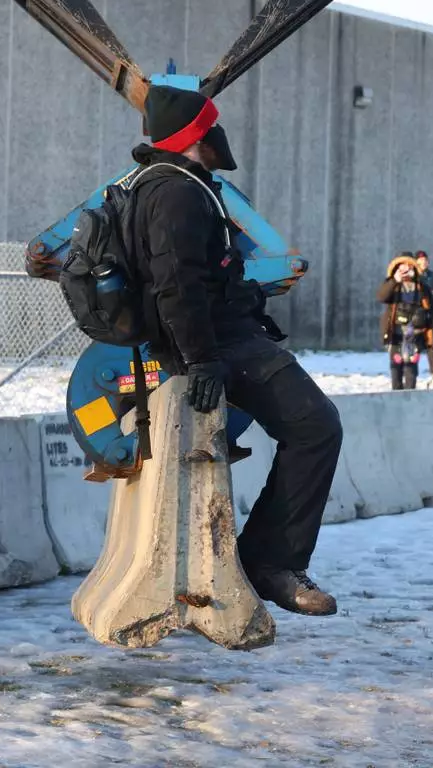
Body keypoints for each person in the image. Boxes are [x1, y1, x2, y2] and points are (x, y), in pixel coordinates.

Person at [128, 84, 341, 616]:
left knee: (312, 425)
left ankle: (264, 558)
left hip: (220, 336)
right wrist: (201, 359)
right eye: (213, 126)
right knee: (315, 425)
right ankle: (271, 562)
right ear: (199, 135)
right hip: (223, 342)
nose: (222, 135)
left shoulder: (164, 184)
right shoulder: (178, 192)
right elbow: (178, 283)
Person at [377, 254, 433, 390]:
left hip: (414, 331)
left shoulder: (421, 286)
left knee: (411, 365)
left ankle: (410, 391)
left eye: (409, 267)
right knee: (396, 363)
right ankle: (396, 391)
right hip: (395, 329)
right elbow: (382, 297)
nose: (406, 271)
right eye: (402, 268)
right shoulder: (392, 284)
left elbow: (430, 307)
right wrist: (394, 280)